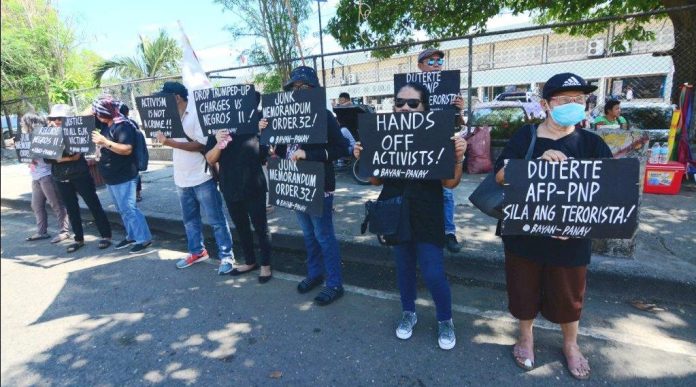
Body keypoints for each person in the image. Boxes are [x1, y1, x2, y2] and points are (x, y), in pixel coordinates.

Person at [494, 73, 613, 380]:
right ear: (546, 104)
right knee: (523, 289)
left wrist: (580, 226)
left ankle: (571, 345)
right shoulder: (526, 137)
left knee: (569, 295)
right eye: (564, 99)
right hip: (524, 234)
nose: (573, 104)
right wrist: (534, 163)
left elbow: (611, 191)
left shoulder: (592, 143)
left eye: (579, 99)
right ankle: (526, 337)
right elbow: (498, 176)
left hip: (571, 240)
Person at [353, 83, 466, 350]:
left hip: (427, 213)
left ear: (424, 107)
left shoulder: (439, 135)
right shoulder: (383, 134)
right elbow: (374, 180)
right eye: (400, 102)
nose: (405, 107)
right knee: (403, 269)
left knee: (433, 272)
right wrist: (363, 156)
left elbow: (450, 184)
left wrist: (459, 158)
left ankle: (445, 319)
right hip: (394, 213)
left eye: (413, 103)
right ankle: (408, 312)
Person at [259, 66, 350, 305]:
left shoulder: (325, 115)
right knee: (308, 234)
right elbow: (279, 149)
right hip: (293, 184)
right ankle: (314, 273)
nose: (298, 91)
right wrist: (268, 141)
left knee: (323, 235)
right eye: (293, 87)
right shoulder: (284, 117)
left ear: (314, 89)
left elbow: (341, 148)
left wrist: (308, 154)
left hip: (318, 184)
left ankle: (334, 283)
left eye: (303, 87)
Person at [153, 82, 237, 275]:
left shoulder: (197, 115)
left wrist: (170, 143)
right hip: (181, 178)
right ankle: (197, 252)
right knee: (190, 221)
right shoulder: (169, 117)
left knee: (216, 220)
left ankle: (226, 255)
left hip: (202, 176)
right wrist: (162, 140)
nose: (162, 101)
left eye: (165, 97)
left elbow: (201, 145)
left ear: (176, 97)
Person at [205, 92, 272, 282]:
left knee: (261, 227)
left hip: (254, 185)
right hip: (230, 186)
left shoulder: (257, 124)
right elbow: (210, 158)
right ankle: (250, 261)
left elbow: (264, 156)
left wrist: (260, 134)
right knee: (241, 226)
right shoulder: (219, 127)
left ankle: (266, 265)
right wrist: (219, 143)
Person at [45, 104, 112, 253]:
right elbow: (46, 158)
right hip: (60, 177)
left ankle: (106, 236)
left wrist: (58, 158)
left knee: (93, 204)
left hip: (80, 175)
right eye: (54, 118)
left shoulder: (77, 131)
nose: (56, 121)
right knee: (72, 209)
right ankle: (78, 239)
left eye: (60, 118)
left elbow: (77, 155)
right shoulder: (47, 134)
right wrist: (63, 159)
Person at [92, 97, 152, 253]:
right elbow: (85, 115)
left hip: (124, 175)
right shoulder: (107, 125)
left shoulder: (123, 126)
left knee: (129, 208)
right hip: (112, 176)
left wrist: (105, 142)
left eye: (99, 112)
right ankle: (132, 235)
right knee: (122, 208)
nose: (96, 115)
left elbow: (127, 149)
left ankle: (143, 238)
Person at [417, 48, 463, 253]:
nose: (436, 65)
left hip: (444, 144)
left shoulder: (449, 87)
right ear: (420, 65)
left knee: (446, 192)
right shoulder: (411, 88)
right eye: (431, 61)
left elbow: (459, 123)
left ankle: (448, 232)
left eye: (439, 62)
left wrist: (459, 110)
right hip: (419, 146)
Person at [21, 113, 71, 243]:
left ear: (29, 124)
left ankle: (64, 231)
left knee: (56, 203)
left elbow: (50, 155)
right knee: (36, 205)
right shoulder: (26, 138)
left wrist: (33, 155)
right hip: (36, 176)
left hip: (46, 175)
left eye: (23, 123)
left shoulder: (44, 135)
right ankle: (41, 231)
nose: (21, 125)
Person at [119, 104, 144, 202]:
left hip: (126, 153)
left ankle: (133, 195)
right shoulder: (132, 122)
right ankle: (137, 194)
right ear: (127, 112)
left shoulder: (121, 124)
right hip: (135, 152)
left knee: (132, 175)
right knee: (135, 174)